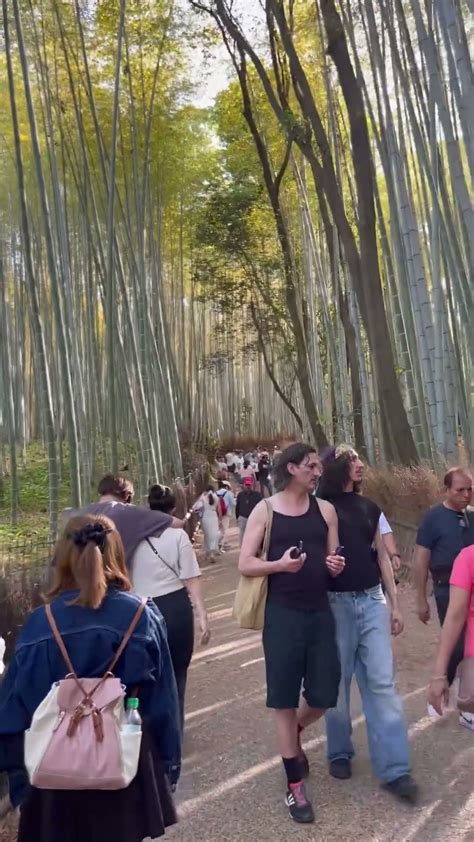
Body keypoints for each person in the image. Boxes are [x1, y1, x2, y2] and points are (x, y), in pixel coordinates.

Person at [0, 515, 181, 842]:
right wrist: (167, 770)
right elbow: (163, 704)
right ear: (116, 553)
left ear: (63, 555)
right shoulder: (142, 615)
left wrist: (19, 783)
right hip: (124, 769)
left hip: (52, 780)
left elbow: (15, 712)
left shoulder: (41, 625)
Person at [239, 443, 344, 824]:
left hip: (319, 613)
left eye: (318, 466)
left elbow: (334, 562)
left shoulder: (327, 511)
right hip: (281, 616)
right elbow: (245, 563)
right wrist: (280, 566)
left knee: (324, 694)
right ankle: (295, 786)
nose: (318, 472)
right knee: (283, 698)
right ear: (293, 468)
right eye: (311, 466)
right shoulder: (264, 510)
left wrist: (335, 564)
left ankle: (296, 731)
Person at [318, 445, 417, 804]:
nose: (360, 465)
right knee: (338, 681)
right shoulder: (321, 509)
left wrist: (395, 605)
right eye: (352, 460)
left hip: (372, 599)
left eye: (359, 460)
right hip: (336, 604)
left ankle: (395, 769)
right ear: (337, 468)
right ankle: (339, 750)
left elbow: (383, 559)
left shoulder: (370, 507)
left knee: (381, 683)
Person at [132, 484, 211, 731]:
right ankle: (173, 732)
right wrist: (202, 615)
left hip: (139, 610)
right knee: (177, 674)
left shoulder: (130, 536)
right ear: (174, 508)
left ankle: (147, 732)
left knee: (146, 674)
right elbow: (191, 577)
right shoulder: (178, 536)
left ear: (148, 507)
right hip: (174, 608)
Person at [414, 468, 473, 690]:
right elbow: (421, 560)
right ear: (446, 490)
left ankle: (467, 691)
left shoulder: (472, 516)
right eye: (460, 490)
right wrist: (420, 598)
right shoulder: (432, 518)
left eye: (470, 489)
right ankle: (442, 685)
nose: (466, 495)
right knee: (456, 643)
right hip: (446, 586)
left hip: (472, 587)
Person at [67, 473, 184, 569]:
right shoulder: (131, 512)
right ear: (127, 496)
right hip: (115, 583)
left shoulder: (76, 515)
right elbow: (177, 523)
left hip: (77, 584)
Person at [428, 544, 474, 728]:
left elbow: (455, 615)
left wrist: (439, 675)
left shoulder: (468, 557)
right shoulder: (468, 558)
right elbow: (455, 616)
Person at [194, 486, 220, 563]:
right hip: (213, 515)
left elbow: (196, 507)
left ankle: (207, 552)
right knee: (214, 534)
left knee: (207, 535)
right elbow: (218, 508)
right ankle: (212, 551)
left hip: (205, 517)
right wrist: (220, 519)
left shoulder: (203, 497)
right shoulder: (215, 497)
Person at [235, 478, 262, 545]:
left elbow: (261, 507)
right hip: (243, 517)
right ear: (243, 485)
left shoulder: (257, 495)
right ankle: (242, 548)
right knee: (242, 533)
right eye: (246, 485)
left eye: (249, 485)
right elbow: (238, 506)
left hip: (254, 518)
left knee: (254, 534)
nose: (248, 486)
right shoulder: (240, 495)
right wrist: (237, 517)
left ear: (252, 485)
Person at [216, 480, 235, 551]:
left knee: (219, 529)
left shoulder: (216, 493)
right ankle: (220, 545)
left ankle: (220, 543)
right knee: (224, 530)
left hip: (218, 513)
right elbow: (233, 503)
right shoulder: (229, 493)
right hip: (226, 513)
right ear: (226, 486)